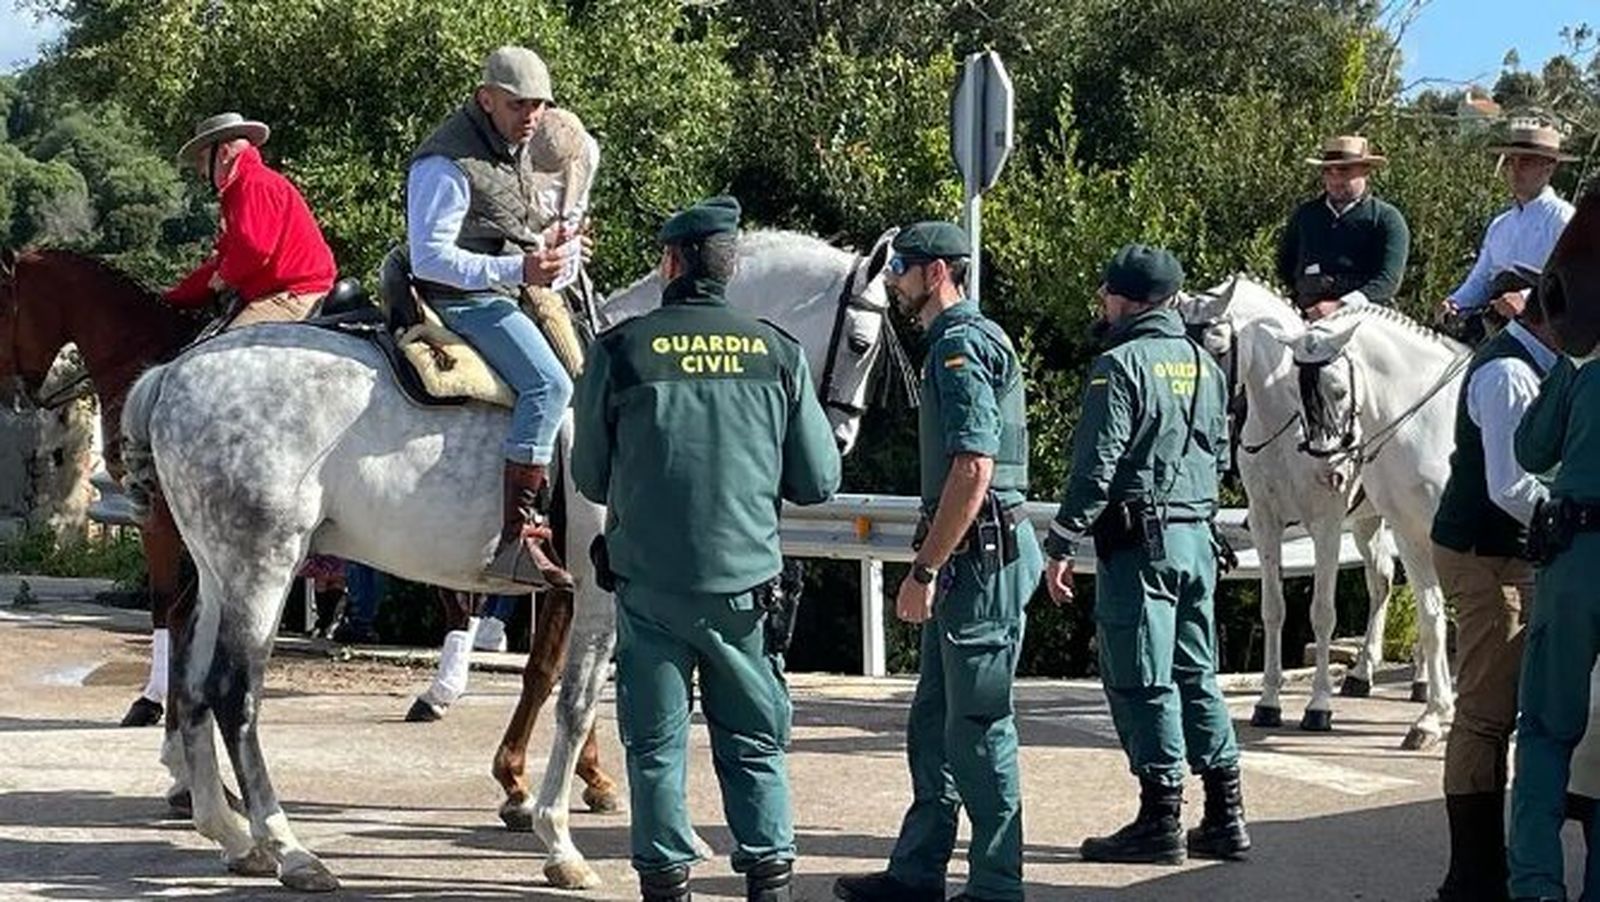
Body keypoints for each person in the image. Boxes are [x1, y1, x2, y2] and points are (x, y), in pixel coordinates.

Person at [571, 195, 840, 902]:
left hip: (649, 587)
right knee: (753, 744)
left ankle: (666, 883)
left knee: (655, 749)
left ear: (671, 263)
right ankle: (769, 878)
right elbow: (818, 481)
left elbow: (588, 475)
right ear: (728, 269)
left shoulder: (621, 350)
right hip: (745, 591)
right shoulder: (776, 352)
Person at [834, 222, 1042, 902]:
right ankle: (918, 871)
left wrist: (924, 569)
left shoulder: (960, 344)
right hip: (970, 556)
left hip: (977, 561)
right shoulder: (959, 341)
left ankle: (996, 886)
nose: (894, 280)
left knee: (977, 727)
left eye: (902, 267)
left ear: (937, 273)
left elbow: (974, 467)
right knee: (934, 724)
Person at [1040, 245, 1249, 865]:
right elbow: (1219, 457)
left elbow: (1095, 467)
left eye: (1107, 292)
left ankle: (1161, 819)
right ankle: (1226, 814)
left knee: (1141, 676)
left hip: (1141, 546)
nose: (1102, 303)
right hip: (1197, 539)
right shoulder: (1204, 364)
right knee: (1195, 674)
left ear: (1127, 300)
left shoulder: (1120, 365)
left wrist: (1062, 541)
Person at [407, 45, 589, 588]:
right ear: (485, 99)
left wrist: (554, 247)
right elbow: (428, 257)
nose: (531, 116)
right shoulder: (445, 163)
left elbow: (508, 225)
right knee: (550, 386)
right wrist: (520, 268)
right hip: (463, 299)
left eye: (538, 105)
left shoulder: (512, 146)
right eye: (518, 105)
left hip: (507, 287)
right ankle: (518, 537)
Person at [1428, 269, 1560, 901]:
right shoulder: (1509, 373)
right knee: (1485, 714)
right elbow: (1511, 487)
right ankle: (1472, 874)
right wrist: (1573, 517)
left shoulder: (1533, 363)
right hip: (1485, 554)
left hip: (1503, 551)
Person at [1507, 189, 1600, 901]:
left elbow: (1531, 448)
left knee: (1543, 731)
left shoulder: (1583, 359)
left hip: (1576, 559)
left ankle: (1536, 885)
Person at [164, 112, 337, 329]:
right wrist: (175, 298)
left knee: (225, 349)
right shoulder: (244, 187)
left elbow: (254, 248)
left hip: (293, 295)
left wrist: (225, 276)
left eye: (203, 160)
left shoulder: (254, 184)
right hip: (284, 292)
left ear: (223, 153)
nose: (201, 170)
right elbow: (226, 257)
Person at [1440, 124, 1576, 326]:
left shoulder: (1564, 220)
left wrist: (1525, 298)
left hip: (1543, 331)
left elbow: (1575, 282)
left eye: (1525, 161)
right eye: (1511, 161)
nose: (1515, 169)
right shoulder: (1500, 225)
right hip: (1494, 326)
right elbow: (1481, 280)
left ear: (1549, 167)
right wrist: (1455, 303)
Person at [1276, 134, 1411, 320]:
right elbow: (1285, 266)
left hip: (1365, 320)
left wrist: (1341, 306)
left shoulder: (1386, 219)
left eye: (1344, 170)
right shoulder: (1305, 215)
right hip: (1307, 315)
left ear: (1365, 171)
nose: (1335, 178)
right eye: (1328, 171)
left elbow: (1387, 281)